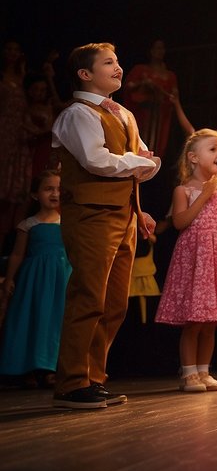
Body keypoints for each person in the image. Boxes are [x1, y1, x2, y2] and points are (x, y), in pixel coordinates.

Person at [50, 43, 159, 409]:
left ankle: (93, 377)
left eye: (117, 62)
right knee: (89, 298)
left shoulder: (123, 114)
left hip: (123, 214)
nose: (118, 67)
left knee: (114, 304)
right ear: (85, 74)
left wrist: (137, 167)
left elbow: (144, 161)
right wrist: (135, 162)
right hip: (92, 215)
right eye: (108, 63)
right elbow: (97, 160)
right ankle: (71, 382)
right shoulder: (79, 114)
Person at [154, 129, 217, 392]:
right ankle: (188, 373)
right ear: (194, 158)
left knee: (210, 323)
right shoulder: (183, 190)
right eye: (213, 149)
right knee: (194, 321)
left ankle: (205, 371)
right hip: (195, 259)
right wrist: (205, 195)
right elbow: (180, 222)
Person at [0, 170, 70, 386]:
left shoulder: (66, 222)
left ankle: (52, 369)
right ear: (35, 195)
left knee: (57, 321)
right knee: (32, 319)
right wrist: (10, 279)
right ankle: (26, 368)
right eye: (48, 188)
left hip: (61, 277)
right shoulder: (28, 224)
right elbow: (18, 254)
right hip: (35, 280)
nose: (54, 193)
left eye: (58, 189)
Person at [124, 40, 190, 161]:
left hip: (160, 115)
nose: (160, 52)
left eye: (162, 48)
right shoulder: (140, 69)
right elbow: (128, 86)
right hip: (142, 112)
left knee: (157, 145)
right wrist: (143, 83)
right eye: (157, 48)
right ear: (151, 51)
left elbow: (173, 97)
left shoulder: (170, 75)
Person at [0, 40, 32, 240]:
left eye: (15, 49)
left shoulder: (23, 77)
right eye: (8, 48)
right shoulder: (2, 77)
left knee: (16, 186)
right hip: (4, 129)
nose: (12, 53)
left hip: (21, 132)